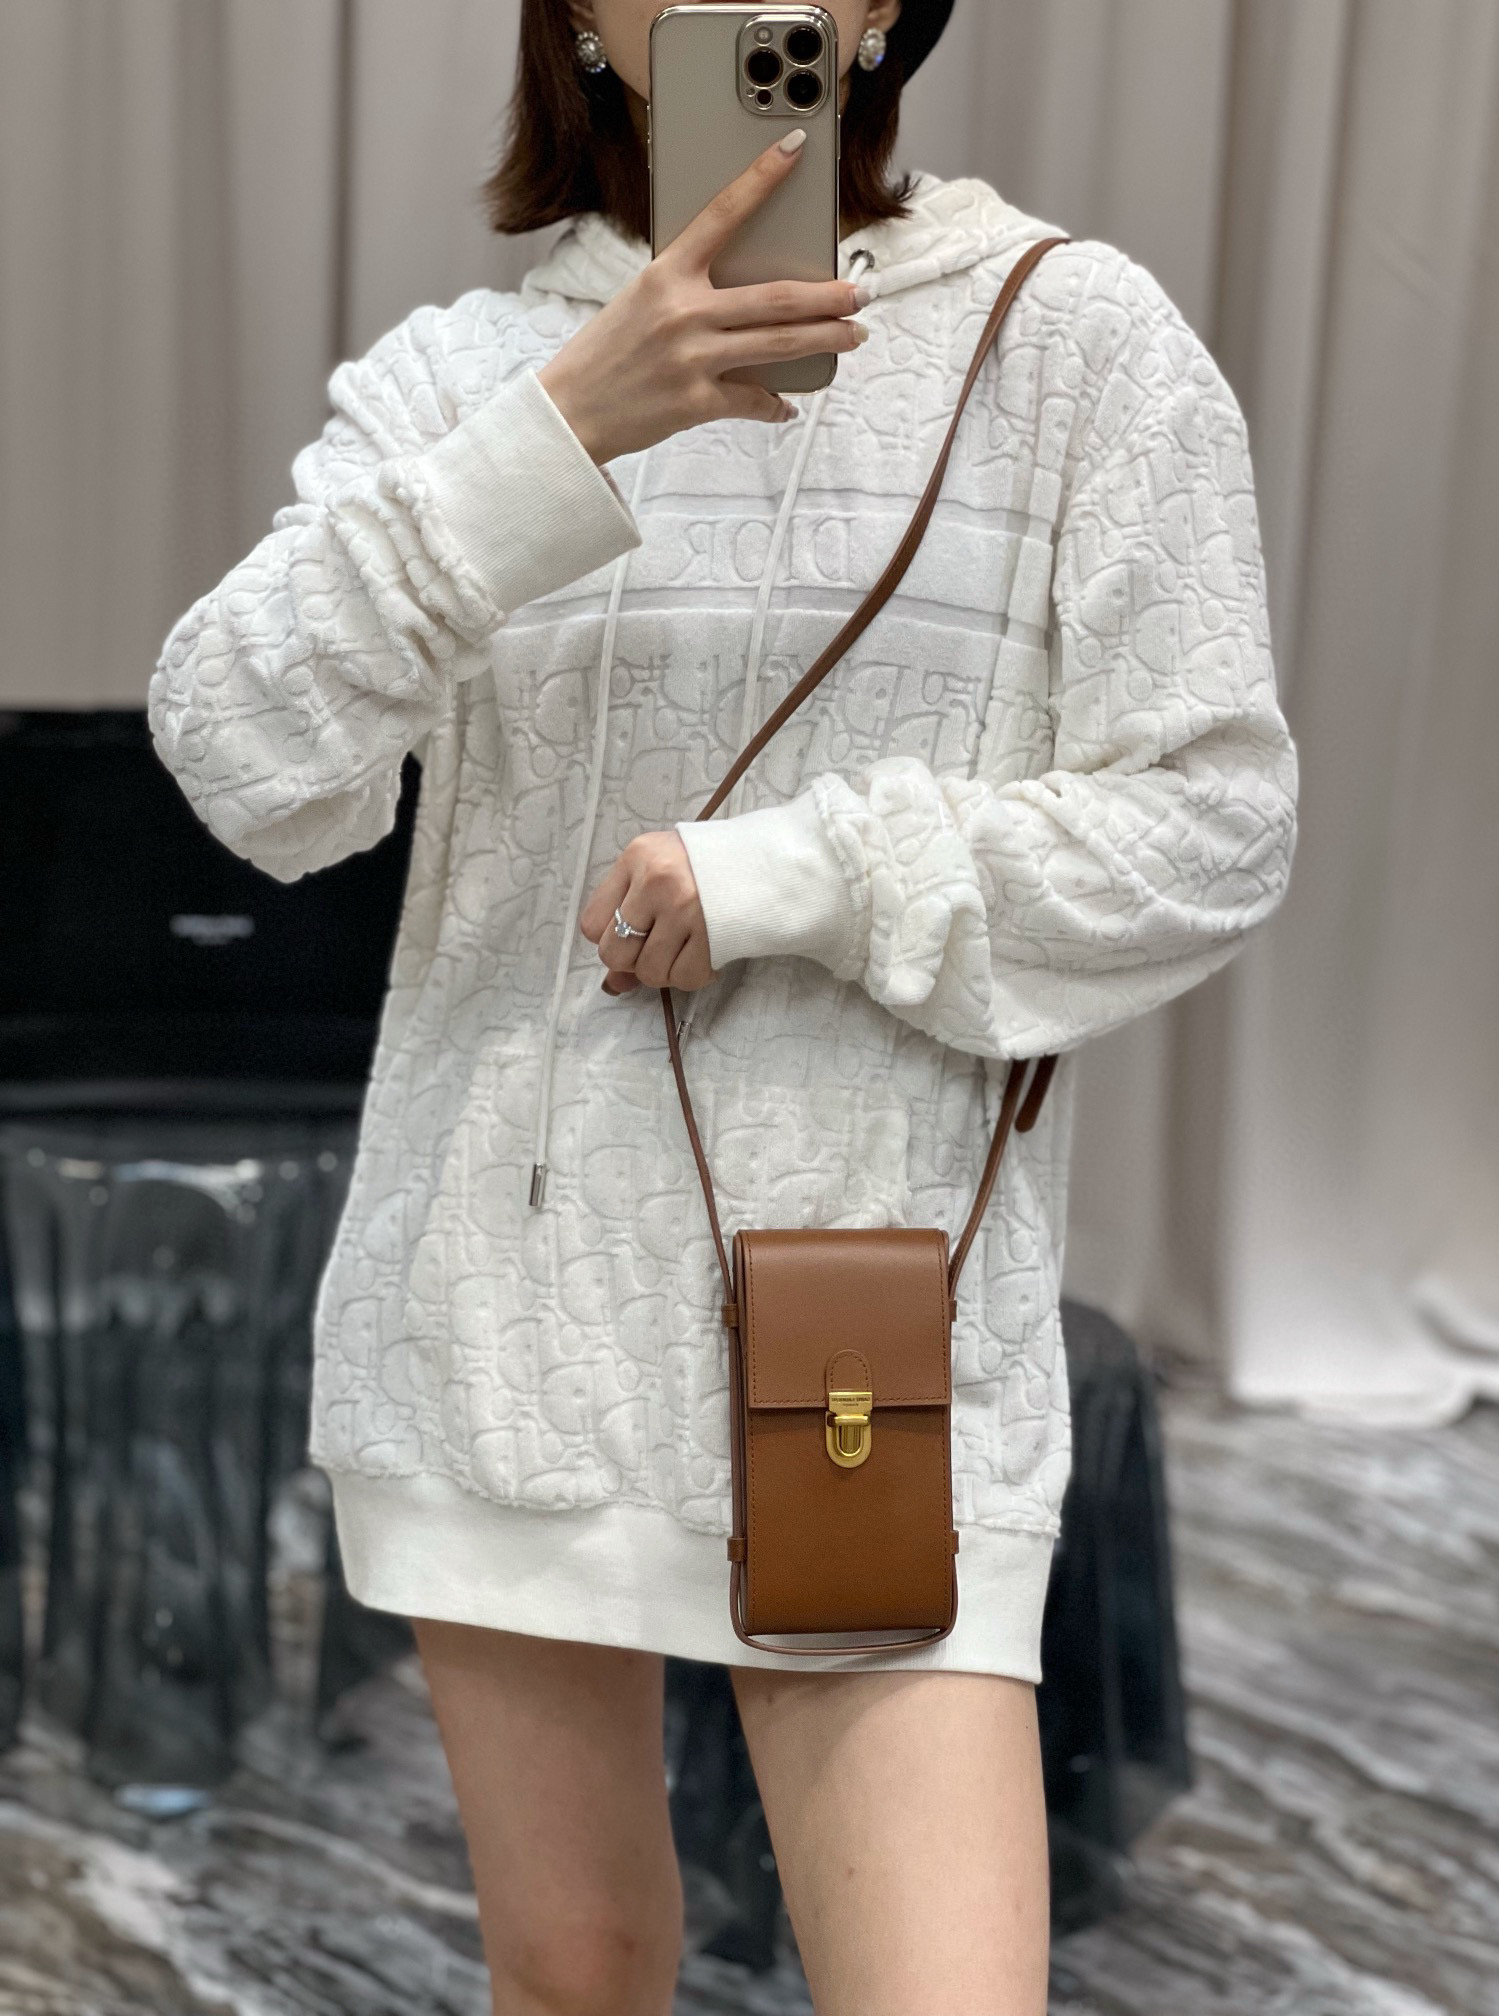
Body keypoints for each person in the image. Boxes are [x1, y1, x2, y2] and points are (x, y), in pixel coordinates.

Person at [149, 1, 1299, 2009]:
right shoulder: (472, 376)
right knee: (573, 1976)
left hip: (866, 1341)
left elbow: (1210, 825)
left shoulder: (1068, 340)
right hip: (501, 1326)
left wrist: (795, 877)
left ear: (882, 11)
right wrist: (558, 438)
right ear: (587, 27)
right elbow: (244, 757)